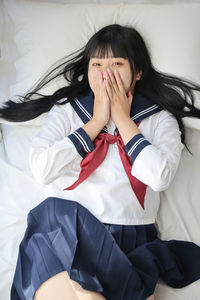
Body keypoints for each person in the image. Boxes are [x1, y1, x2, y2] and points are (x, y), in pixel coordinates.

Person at [1, 23, 200, 300]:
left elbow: (160, 176)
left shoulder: (159, 119)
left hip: (129, 237)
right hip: (63, 232)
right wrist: (95, 123)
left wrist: (123, 120)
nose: (106, 73)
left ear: (138, 72)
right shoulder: (67, 112)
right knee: (51, 217)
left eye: (117, 62)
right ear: (88, 71)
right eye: (97, 64)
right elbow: (41, 169)